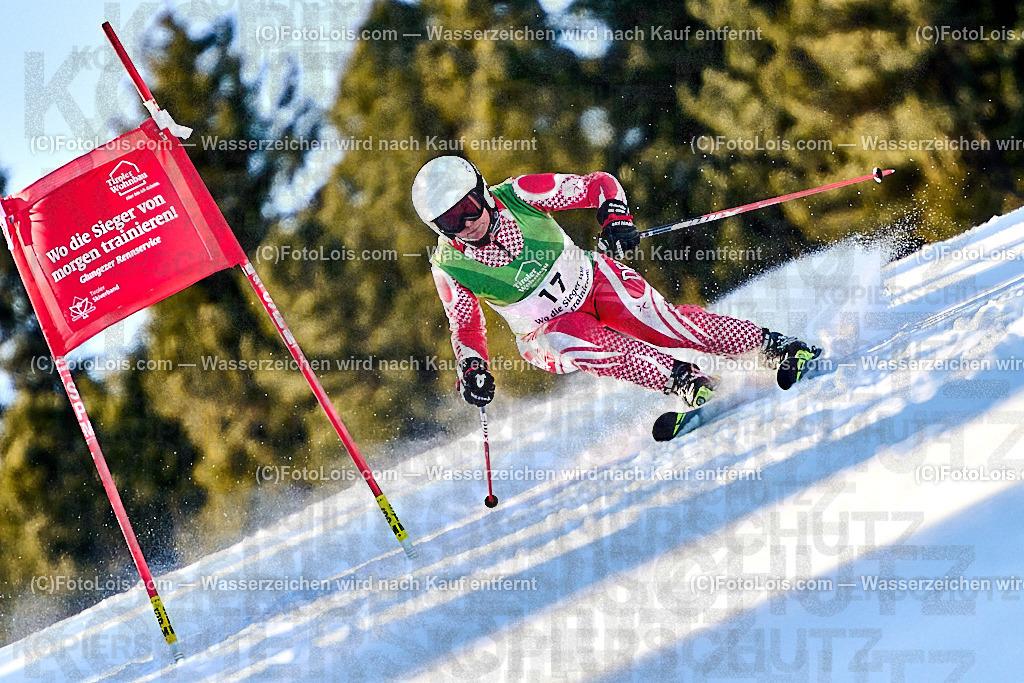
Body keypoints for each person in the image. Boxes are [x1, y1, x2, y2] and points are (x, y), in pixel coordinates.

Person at [411, 156, 820, 438]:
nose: (465, 224)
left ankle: (776, 347)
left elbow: (598, 185)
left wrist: (614, 217)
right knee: (565, 334)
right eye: (449, 221)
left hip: (592, 281)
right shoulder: (449, 266)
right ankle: (685, 380)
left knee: (663, 324)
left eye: (467, 207)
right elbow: (466, 326)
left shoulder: (519, 195)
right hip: (543, 334)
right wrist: (473, 370)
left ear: (481, 190)